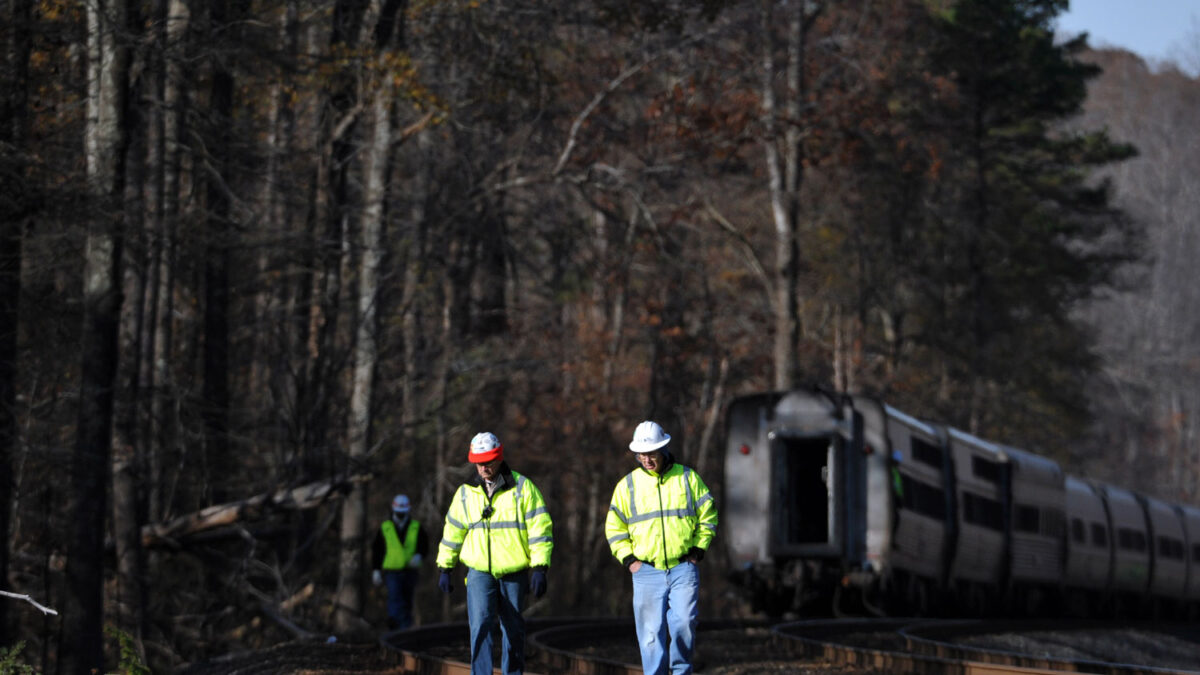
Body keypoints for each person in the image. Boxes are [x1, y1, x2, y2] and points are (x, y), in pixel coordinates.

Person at [605, 420, 718, 675]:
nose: (646, 459)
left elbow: (708, 515)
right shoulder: (627, 486)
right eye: (641, 454)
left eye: (651, 453)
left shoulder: (688, 478)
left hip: (683, 567)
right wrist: (629, 560)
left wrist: (699, 550)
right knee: (651, 634)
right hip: (645, 570)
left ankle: (681, 671)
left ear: (663, 449)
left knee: (684, 623)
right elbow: (614, 528)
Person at [436, 432, 553, 675]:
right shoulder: (466, 493)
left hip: (513, 573)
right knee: (480, 626)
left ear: (499, 458)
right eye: (479, 462)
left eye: (488, 460)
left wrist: (540, 567)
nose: (484, 467)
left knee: (513, 629)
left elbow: (540, 529)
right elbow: (453, 531)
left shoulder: (523, 488)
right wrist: (445, 567)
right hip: (479, 572)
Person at [371, 493, 429, 630]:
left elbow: (424, 546)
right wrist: (376, 570)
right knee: (395, 598)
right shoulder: (386, 527)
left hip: (410, 571)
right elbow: (377, 550)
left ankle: (404, 629)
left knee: (407, 601)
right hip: (392, 571)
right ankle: (395, 626)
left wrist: (419, 556)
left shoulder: (416, 526)